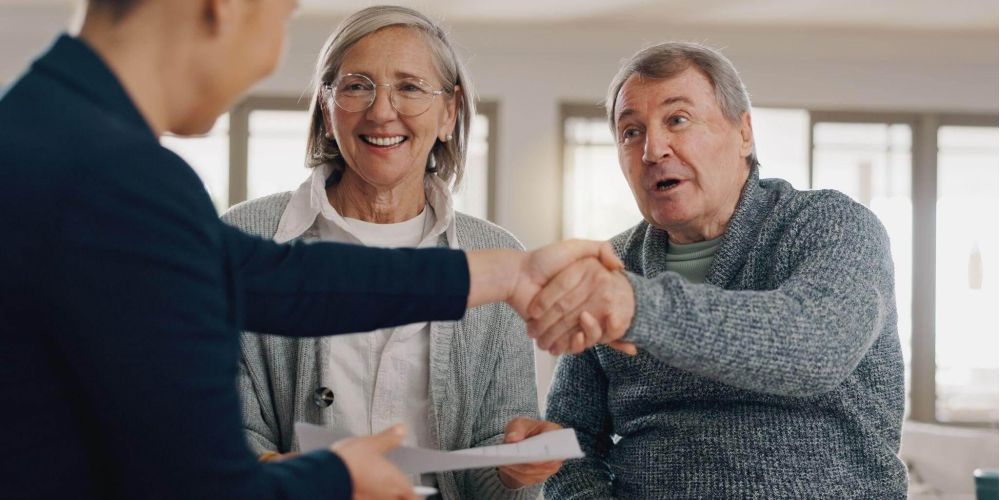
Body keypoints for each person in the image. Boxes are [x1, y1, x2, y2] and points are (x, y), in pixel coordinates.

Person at [0, 0, 618, 498]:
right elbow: (195, 481)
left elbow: (280, 280)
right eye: (285, 14)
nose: (271, 58)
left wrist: (509, 272)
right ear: (223, 8)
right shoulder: (116, 177)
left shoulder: (48, 131)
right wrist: (341, 475)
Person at [530, 42, 907, 498]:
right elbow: (570, 441)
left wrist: (636, 305)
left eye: (678, 119)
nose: (652, 149)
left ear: (744, 132)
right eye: (631, 132)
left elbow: (818, 345)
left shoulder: (832, 224)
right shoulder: (613, 265)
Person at [225, 6, 559, 498]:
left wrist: (515, 469)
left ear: (449, 113)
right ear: (326, 105)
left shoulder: (496, 253)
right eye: (357, 85)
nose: (382, 112)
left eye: (410, 87)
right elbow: (221, 436)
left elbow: (496, 460)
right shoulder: (245, 235)